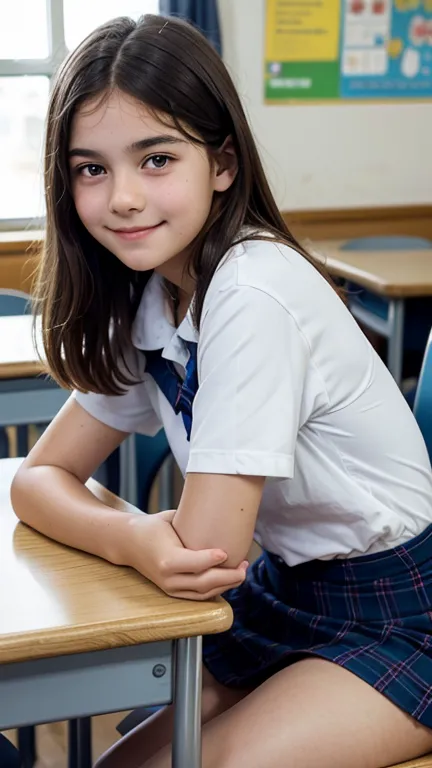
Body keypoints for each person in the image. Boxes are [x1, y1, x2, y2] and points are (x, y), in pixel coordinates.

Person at [10, 14, 432, 768]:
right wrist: (135, 536)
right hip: (287, 591)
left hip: (402, 608)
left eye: (157, 158)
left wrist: (149, 543)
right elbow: (37, 479)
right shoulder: (152, 297)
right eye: (91, 169)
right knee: (119, 766)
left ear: (223, 164)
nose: (125, 198)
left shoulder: (253, 289)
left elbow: (205, 551)